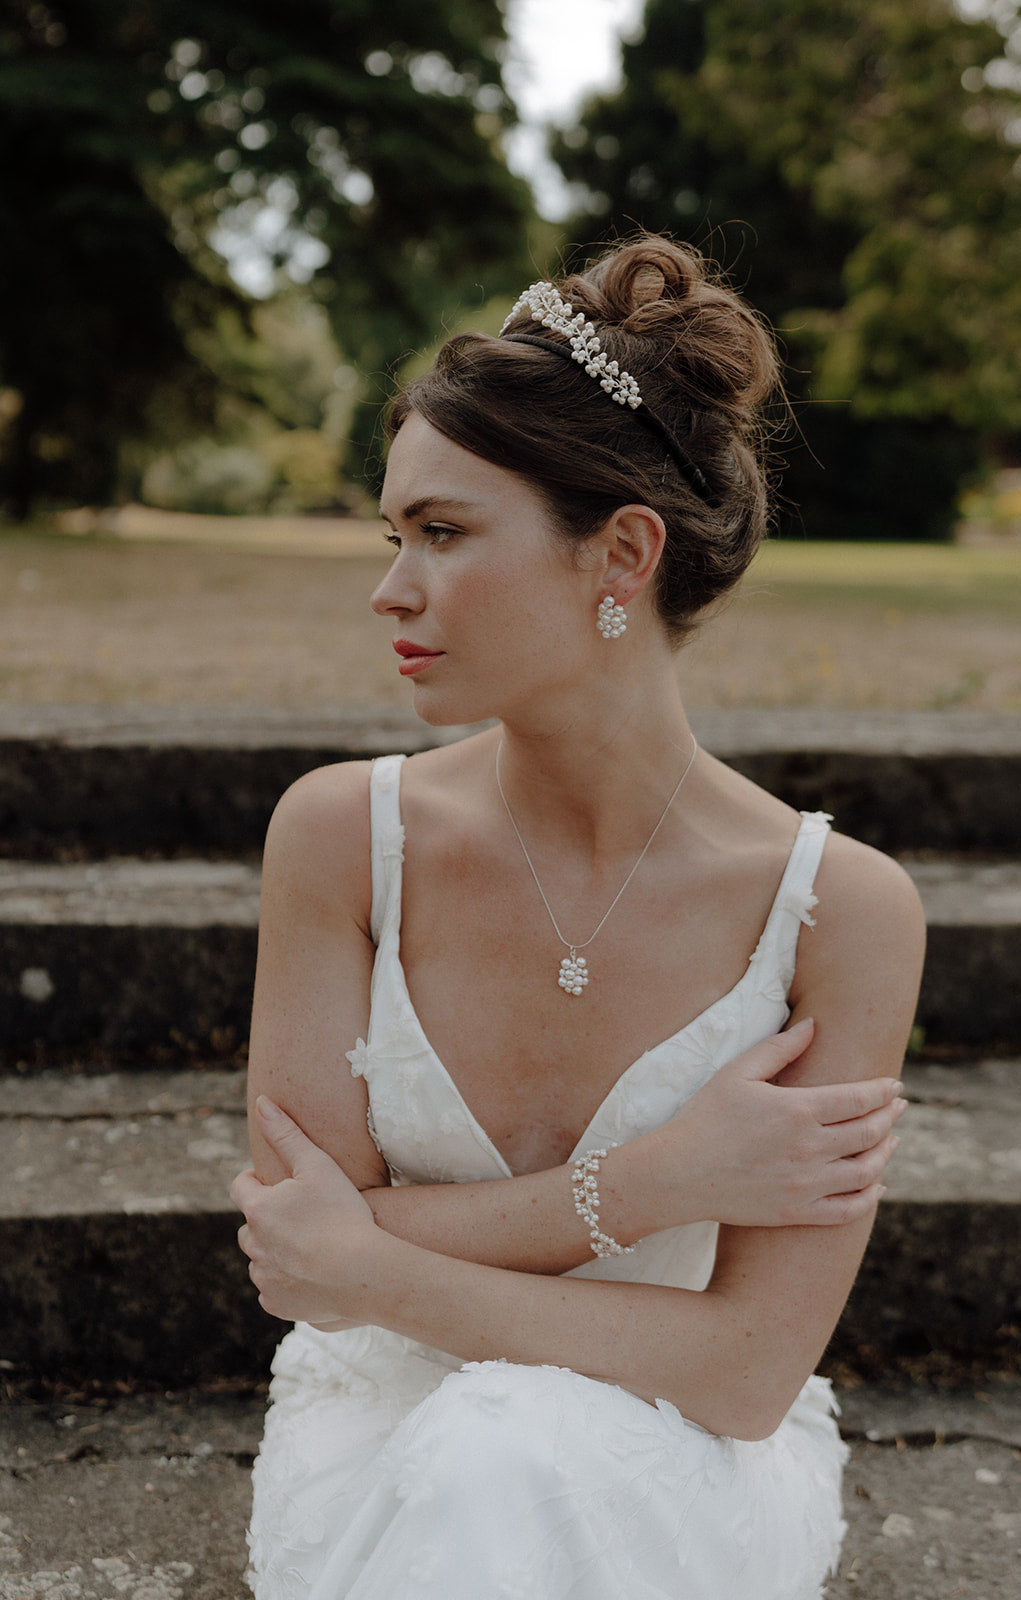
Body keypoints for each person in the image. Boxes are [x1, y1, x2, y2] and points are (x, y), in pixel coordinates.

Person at [230, 235, 925, 1600]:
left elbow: (738, 1374)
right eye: (393, 535)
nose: (390, 587)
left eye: (442, 533)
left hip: (681, 1446)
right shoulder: (340, 838)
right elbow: (297, 1263)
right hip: (374, 1423)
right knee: (483, 1466)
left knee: (515, 1452)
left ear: (620, 552)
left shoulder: (843, 912)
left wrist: (377, 1252)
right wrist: (656, 1185)